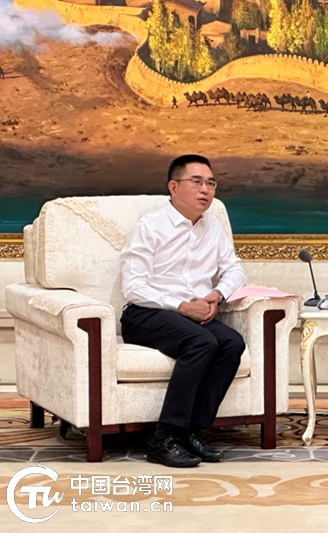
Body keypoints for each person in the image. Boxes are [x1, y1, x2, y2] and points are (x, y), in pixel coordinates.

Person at [120, 154, 247, 468]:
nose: (205, 189)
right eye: (197, 182)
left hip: (193, 314)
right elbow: (133, 286)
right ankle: (163, 439)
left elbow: (235, 269)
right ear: (174, 187)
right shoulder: (151, 225)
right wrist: (181, 306)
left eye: (211, 183)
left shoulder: (213, 226)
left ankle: (191, 433)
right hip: (145, 314)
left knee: (231, 342)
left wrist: (217, 294)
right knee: (202, 342)